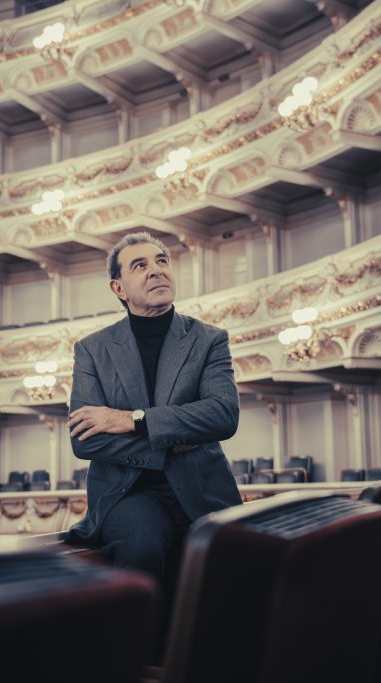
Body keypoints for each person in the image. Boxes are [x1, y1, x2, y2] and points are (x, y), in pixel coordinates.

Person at [66, 232, 242, 591]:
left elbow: (223, 414)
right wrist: (176, 439)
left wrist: (132, 420)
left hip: (202, 489)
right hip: (128, 491)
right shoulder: (92, 349)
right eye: (140, 265)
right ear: (118, 288)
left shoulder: (209, 339)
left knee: (231, 567)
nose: (157, 270)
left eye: (162, 261)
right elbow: (86, 440)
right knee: (140, 549)